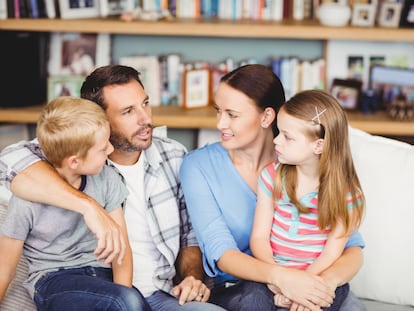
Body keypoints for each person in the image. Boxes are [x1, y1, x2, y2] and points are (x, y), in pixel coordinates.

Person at [0, 65, 224, 311]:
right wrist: (88, 207)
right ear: (99, 119)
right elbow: (10, 162)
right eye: (128, 111)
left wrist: (193, 276)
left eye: (145, 103)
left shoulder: (173, 155)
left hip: (158, 294)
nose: (146, 118)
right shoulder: (71, 151)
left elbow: (188, 236)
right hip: (88, 290)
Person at [179, 64, 366, 311]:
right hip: (246, 289)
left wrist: (318, 286)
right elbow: (221, 253)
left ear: (267, 117)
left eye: (232, 114)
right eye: (218, 111)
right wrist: (282, 280)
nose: (220, 124)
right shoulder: (197, 166)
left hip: (315, 282)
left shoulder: (301, 160)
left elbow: (351, 249)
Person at [0, 97, 150, 311]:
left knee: (129, 300)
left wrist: (124, 294)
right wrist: (124, 300)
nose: (110, 150)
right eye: (102, 148)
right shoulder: (26, 198)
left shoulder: (107, 179)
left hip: (103, 278)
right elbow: (4, 270)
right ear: (74, 162)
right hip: (54, 281)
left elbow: (121, 252)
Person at [250, 89, 365, 310]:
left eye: (287, 136)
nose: (276, 140)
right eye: (278, 132)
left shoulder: (347, 194)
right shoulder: (271, 177)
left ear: (319, 146)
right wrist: (279, 281)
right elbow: (259, 238)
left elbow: (332, 253)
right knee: (251, 298)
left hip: (318, 276)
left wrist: (305, 286)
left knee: (324, 300)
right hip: (274, 273)